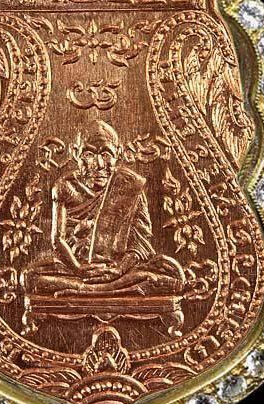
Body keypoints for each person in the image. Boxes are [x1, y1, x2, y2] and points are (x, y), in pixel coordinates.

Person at [21, 120, 185, 298]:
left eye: (106, 154)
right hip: (74, 266)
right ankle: (113, 289)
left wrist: (119, 270)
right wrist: (78, 268)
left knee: (172, 273)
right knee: (30, 277)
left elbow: (140, 242)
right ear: (75, 153)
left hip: (118, 268)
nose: (98, 164)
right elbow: (57, 240)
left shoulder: (130, 185)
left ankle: (90, 290)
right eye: (89, 154)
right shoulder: (65, 187)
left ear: (118, 154)